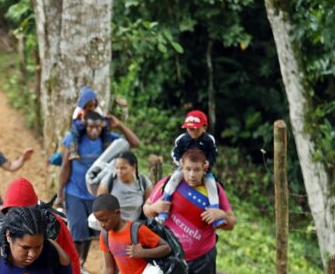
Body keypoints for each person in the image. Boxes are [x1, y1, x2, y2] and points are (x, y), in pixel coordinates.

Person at [143, 148, 236, 274]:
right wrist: (156, 207)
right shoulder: (169, 185)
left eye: (196, 169)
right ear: (180, 167)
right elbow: (146, 208)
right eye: (187, 169)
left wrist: (220, 213)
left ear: (205, 168)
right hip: (174, 259)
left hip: (204, 258)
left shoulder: (215, 191)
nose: (191, 174)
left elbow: (231, 222)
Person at [56, 111, 141, 265]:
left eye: (97, 127)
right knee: (77, 230)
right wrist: (60, 194)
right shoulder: (74, 140)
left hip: (96, 195)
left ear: (102, 127)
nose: (94, 131)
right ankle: (74, 265)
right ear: (85, 126)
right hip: (74, 193)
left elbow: (135, 143)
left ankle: (81, 262)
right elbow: (65, 167)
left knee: (88, 231)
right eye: (90, 127)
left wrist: (120, 125)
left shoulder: (108, 141)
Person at [160, 110, 223, 227]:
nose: (193, 132)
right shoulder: (182, 139)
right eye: (190, 129)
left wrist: (208, 163)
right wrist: (180, 162)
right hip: (185, 168)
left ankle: (215, 212)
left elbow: (213, 154)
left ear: (204, 128)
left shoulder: (209, 140)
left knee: (212, 186)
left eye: (196, 129)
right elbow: (175, 152)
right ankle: (164, 206)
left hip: (203, 170)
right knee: (173, 179)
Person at [96, 151, 153, 222]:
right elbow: (99, 207)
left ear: (133, 167)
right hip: (113, 227)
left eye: (123, 168)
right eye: (117, 168)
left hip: (136, 227)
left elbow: (150, 207)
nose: (119, 171)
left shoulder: (144, 182)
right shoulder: (109, 181)